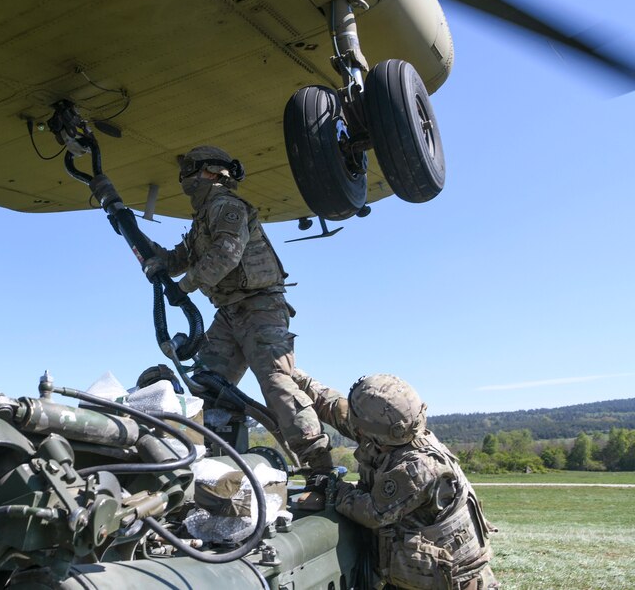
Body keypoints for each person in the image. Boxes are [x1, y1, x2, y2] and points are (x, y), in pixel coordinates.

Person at [143, 145, 334, 485]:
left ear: (213, 172)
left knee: (276, 384)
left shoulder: (226, 206)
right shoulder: (202, 218)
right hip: (230, 313)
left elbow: (227, 254)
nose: (185, 177)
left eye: (191, 169)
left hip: (260, 307)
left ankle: (319, 467)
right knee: (204, 386)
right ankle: (204, 463)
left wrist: (184, 286)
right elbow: (178, 258)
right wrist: (148, 251)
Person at [291, 369, 499, 590]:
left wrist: (332, 486)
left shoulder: (419, 468)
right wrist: (296, 377)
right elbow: (334, 407)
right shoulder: (392, 431)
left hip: (449, 583)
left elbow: (372, 512)